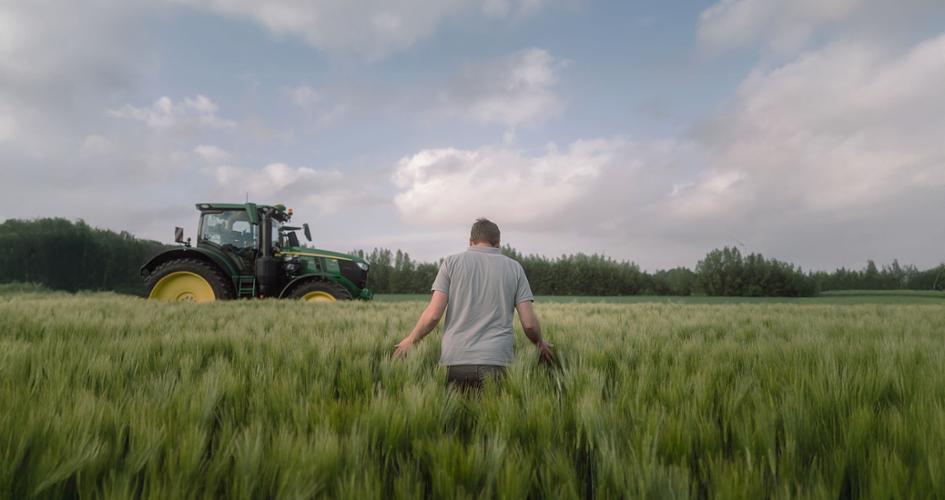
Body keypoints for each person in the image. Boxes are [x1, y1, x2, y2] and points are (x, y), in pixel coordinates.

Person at [393, 218, 554, 389]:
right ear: (498, 243)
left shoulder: (451, 263)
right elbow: (529, 324)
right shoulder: (515, 268)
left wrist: (411, 340)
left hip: (456, 360)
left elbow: (433, 315)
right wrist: (539, 343)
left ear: (470, 241)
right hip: (497, 362)